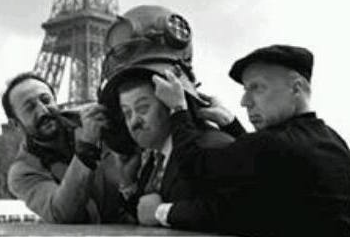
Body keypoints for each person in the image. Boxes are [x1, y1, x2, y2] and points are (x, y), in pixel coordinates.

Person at [138, 44, 350, 237]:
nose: (244, 101)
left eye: (257, 87)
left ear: (296, 88)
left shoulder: (272, 145)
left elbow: (196, 166)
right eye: (245, 90)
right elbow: (259, 161)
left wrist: (178, 108)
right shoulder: (334, 141)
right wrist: (230, 123)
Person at [97, 4, 245, 222]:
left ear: (169, 103)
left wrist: (162, 213)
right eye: (127, 113)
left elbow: (235, 213)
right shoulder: (152, 161)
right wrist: (128, 185)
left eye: (143, 108)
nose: (134, 122)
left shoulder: (213, 147)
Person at [2, 72, 127, 223]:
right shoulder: (22, 173)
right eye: (30, 108)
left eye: (46, 100)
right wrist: (87, 147)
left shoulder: (97, 118)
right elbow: (61, 213)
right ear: (16, 124)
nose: (43, 111)